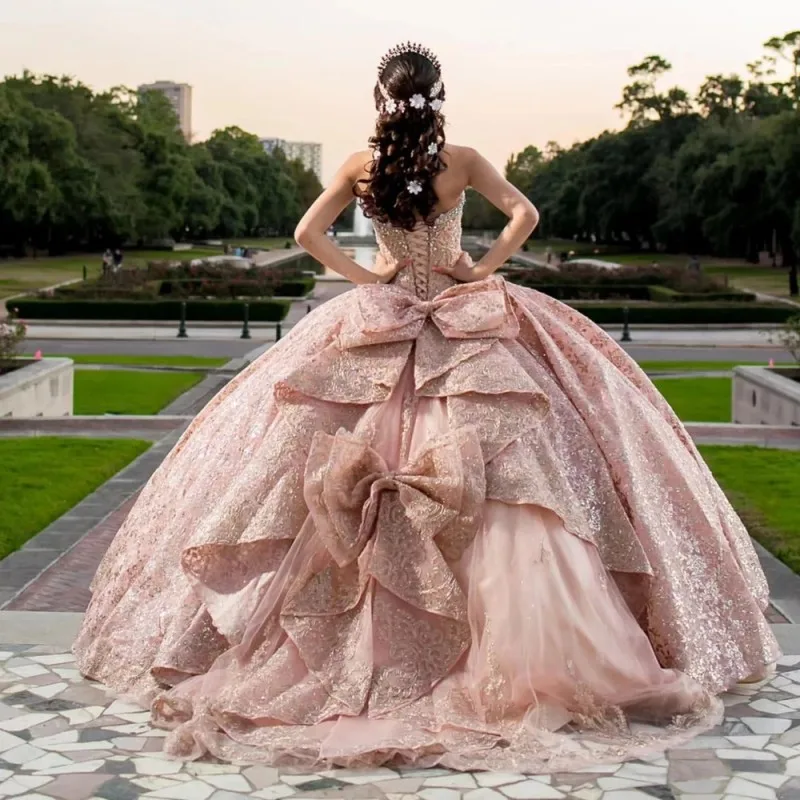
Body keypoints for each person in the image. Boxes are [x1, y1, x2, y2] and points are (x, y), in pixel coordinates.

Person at [74, 42, 778, 774]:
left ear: (381, 99)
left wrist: (367, 277)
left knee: (303, 472)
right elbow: (525, 214)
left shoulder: (360, 166)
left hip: (382, 319)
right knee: (519, 476)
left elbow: (306, 235)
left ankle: (356, 657)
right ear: (438, 97)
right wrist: (479, 266)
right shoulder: (464, 160)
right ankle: (523, 657)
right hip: (462, 319)